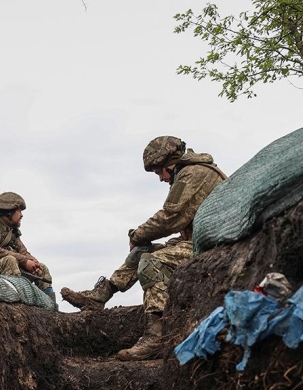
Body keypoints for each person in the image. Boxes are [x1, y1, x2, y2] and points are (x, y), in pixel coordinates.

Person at [60, 136, 227, 360]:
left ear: (171, 162)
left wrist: (138, 234)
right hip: (196, 240)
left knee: (152, 261)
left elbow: (170, 217)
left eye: (160, 172)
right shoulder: (189, 172)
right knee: (142, 253)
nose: (160, 178)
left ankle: (155, 337)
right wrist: (140, 240)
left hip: (213, 244)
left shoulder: (192, 173)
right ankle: (99, 296)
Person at [0, 192, 56, 304]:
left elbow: (23, 252)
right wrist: (24, 261)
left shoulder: (12, 232)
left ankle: (50, 306)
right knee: (10, 260)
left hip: (4, 272)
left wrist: (33, 262)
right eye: (19, 211)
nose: (21, 215)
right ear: (9, 212)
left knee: (42, 268)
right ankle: (17, 303)